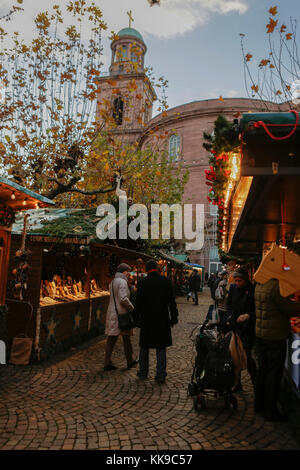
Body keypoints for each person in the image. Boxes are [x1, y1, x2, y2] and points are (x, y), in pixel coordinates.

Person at [254, 278, 300, 421]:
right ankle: (270, 411)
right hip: (275, 336)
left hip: (261, 334)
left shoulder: (260, 283)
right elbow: (288, 309)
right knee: (273, 374)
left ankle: (259, 404)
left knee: (262, 370)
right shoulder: (275, 287)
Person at [134, 259, 179, 384]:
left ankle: (143, 372)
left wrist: (136, 318)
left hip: (146, 319)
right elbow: (171, 302)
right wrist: (174, 317)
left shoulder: (142, 282)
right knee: (161, 347)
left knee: (144, 346)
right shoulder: (165, 281)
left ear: (147, 269)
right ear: (157, 268)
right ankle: (160, 375)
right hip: (162, 319)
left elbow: (138, 302)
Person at [224, 268, 256, 392]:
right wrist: (231, 316)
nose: (237, 283)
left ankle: (255, 381)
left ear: (245, 279)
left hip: (248, 328)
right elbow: (229, 305)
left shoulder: (252, 290)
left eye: (239, 280)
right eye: (236, 280)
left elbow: (257, 310)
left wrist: (248, 315)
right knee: (233, 356)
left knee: (247, 356)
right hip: (235, 327)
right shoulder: (233, 288)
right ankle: (237, 383)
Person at [103, 263, 138, 371]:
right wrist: (132, 308)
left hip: (113, 313)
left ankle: (107, 361)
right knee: (126, 337)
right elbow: (123, 299)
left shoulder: (113, 281)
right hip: (121, 314)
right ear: (124, 271)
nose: (130, 274)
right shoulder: (122, 282)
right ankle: (129, 360)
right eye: (128, 271)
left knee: (112, 338)